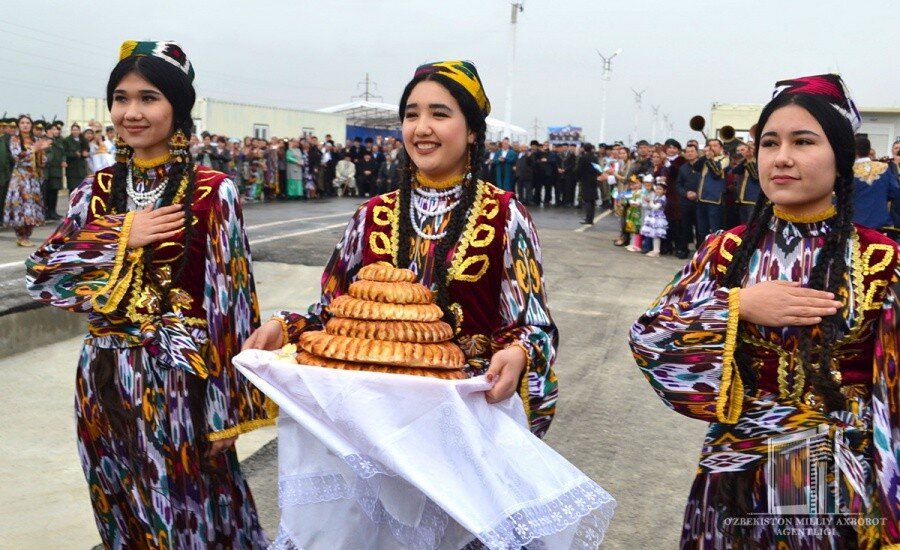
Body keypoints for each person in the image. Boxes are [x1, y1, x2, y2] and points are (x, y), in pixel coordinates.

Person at [629, 74, 900, 548]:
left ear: (840, 158)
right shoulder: (725, 250)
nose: (782, 157)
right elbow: (650, 337)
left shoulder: (880, 260)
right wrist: (738, 304)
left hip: (827, 472)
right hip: (732, 463)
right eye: (769, 142)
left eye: (803, 141)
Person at [25, 41, 274, 548]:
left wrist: (229, 410)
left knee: (189, 514)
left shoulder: (212, 190)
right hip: (102, 378)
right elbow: (43, 277)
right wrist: (121, 234)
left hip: (181, 384)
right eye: (121, 98)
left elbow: (232, 305)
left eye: (149, 98)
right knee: (119, 506)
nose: (131, 113)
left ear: (177, 109)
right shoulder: (90, 192)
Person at [244, 59, 558, 435]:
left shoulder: (505, 215)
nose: (421, 128)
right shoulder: (372, 215)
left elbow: (533, 325)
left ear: (473, 130)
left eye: (439, 114)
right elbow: (333, 315)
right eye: (411, 115)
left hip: (466, 417)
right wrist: (286, 327)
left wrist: (519, 353)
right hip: (373, 420)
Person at [5, 115, 49, 246]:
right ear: (18, 125)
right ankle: (20, 236)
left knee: (32, 206)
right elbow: (17, 157)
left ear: (31, 125)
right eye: (22, 123)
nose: (25, 125)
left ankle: (27, 236)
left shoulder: (36, 139)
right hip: (20, 178)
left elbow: (43, 161)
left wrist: (41, 151)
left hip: (33, 179)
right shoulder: (14, 139)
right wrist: (34, 149)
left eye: (28, 123)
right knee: (21, 206)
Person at [851, 135, 899, 233]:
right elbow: (895, 191)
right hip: (880, 223)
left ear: (853, 150)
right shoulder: (884, 167)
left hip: (855, 223)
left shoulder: (847, 171)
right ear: (868, 150)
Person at [696, 138, 729, 239]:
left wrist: (710, 159)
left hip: (714, 199)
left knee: (715, 229)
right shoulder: (706, 159)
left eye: (715, 146)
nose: (712, 148)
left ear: (721, 148)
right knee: (702, 229)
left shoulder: (724, 159)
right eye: (710, 146)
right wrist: (705, 156)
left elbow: (717, 173)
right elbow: (695, 167)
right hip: (701, 198)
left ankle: (714, 252)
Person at [42, 120, 66, 221]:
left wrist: (64, 160)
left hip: (57, 170)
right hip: (48, 170)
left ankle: (53, 211)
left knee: (54, 192)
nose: (55, 131)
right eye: (53, 129)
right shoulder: (44, 141)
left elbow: (63, 152)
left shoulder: (58, 141)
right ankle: (46, 212)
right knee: (47, 192)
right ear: (47, 131)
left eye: (56, 129)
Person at [732, 142, 761, 224]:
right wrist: (746, 159)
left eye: (751, 147)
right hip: (742, 200)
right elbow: (735, 170)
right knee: (743, 226)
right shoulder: (745, 161)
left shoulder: (760, 161)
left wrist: (750, 160)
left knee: (752, 226)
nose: (748, 150)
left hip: (753, 200)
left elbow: (755, 177)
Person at [640, 179, 668, 257]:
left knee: (656, 234)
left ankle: (656, 250)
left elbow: (656, 207)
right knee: (653, 234)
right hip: (653, 217)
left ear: (664, 191)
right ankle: (655, 249)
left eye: (660, 189)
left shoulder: (662, 198)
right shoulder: (656, 197)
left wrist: (650, 202)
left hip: (658, 218)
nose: (658, 190)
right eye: (657, 189)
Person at [62, 123, 90, 193]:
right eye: (73, 130)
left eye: (77, 130)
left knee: (82, 190)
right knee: (73, 190)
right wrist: (74, 154)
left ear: (79, 131)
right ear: (71, 131)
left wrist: (85, 154)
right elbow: (64, 153)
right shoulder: (66, 140)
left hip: (82, 168)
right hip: (72, 169)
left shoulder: (83, 140)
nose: (75, 132)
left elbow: (87, 150)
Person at [576, 142, 599, 223]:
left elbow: (579, 170)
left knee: (587, 200)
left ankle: (588, 219)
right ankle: (591, 219)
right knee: (592, 200)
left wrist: (577, 178)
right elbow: (598, 169)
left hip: (585, 180)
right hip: (594, 180)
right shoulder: (595, 157)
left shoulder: (583, 158)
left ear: (584, 149)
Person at [0, 117, 16, 218]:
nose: (4, 128)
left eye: (5, 126)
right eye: (2, 126)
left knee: (3, 198)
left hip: (5, 174)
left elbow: (7, 157)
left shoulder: (3, 140)